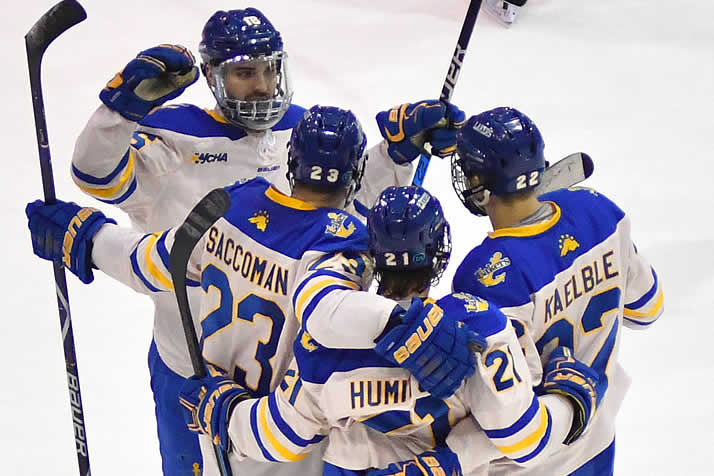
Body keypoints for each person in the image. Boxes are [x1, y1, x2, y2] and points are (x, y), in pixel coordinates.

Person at [69, 7, 463, 475]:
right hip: (191, 368)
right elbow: (95, 172)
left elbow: (341, 208)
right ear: (214, 76)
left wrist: (394, 155)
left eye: (269, 70)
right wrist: (119, 109)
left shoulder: (298, 129)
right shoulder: (174, 138)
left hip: (287, 387)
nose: (262, 86)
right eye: (244, 73)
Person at [176, 185, 607, 476]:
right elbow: (524, 439)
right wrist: (570, 404)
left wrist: (226, 411)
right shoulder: (478, 324)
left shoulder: (322, 348)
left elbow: (277, 438)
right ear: (441, 251)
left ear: (373, 254)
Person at [449, 106, 664, 475]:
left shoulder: (483, 275)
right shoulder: (598, 210)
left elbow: (501, 403)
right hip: (597, 442)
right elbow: (647, 309)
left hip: (528, 463)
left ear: (477, 182)